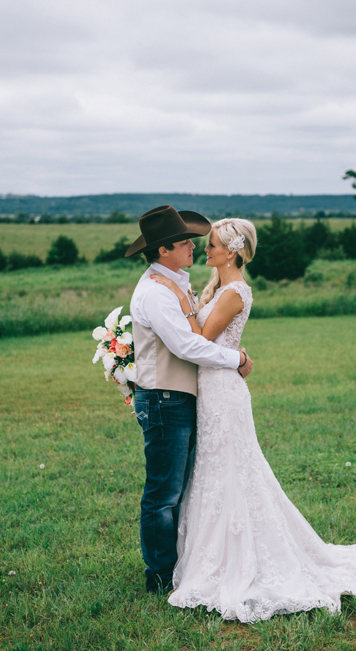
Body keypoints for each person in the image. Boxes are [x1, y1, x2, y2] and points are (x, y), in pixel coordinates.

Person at [149, 217, 356, 623]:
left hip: (224, 394)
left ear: (231, 251)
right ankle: (209, 558)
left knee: (234, 471)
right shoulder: (217, 287)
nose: (206, 249)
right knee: (213, 472)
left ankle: (241, 561)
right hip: (210, 390)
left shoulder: (235, 291)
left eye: (212, 244)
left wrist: (182, 302)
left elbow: (201, 338)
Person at [126, 205, 254, 595]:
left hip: (186, 397)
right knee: (164, 494)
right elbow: (187, 346)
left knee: (184, 487)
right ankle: (160, 577)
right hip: (166, 399)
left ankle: (186, 564)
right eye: (186, 242)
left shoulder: (175, 283)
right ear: (164, 250)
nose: (194, 247)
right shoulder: (156, 293)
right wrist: (238, 359)